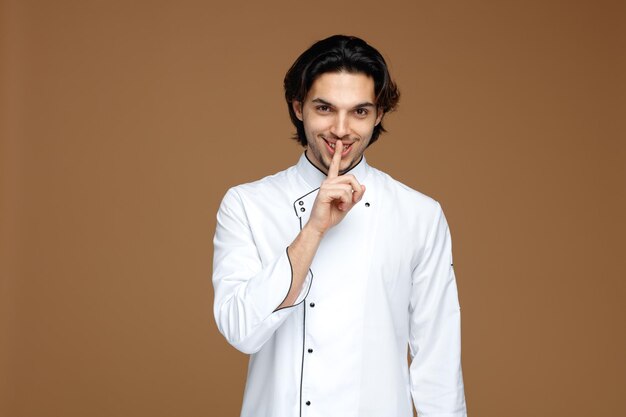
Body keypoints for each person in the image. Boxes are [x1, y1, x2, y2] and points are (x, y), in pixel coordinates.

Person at [212, 34, 467, 417]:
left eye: (360, 112)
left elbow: (438, 361)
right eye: (325, 108)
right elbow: (241, 330)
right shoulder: (247, 205)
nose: (341, 130)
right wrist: (313, 229)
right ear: (299, 108)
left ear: (379, 115)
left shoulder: (419, 215)